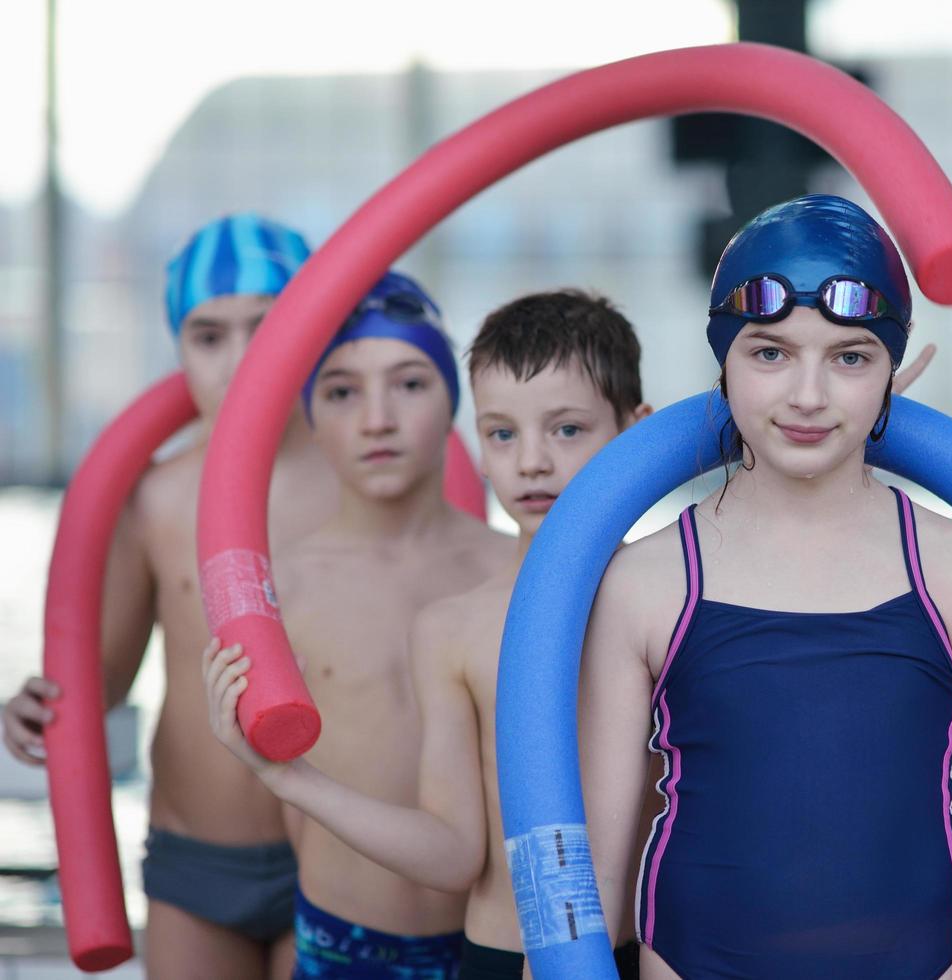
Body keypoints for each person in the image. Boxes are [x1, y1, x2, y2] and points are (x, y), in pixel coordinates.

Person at [579, 194, 952, 979]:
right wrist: (546, 962)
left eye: (849, 357)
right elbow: (592, 862)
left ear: (892, 369)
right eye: (769, 353)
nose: (807, 394)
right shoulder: (644, 581)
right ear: (722, 363)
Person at [206, 289, 650, 979]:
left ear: (635, 431)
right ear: (476, 446)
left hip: (653, 956)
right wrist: (287, 778)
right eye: (503, 434)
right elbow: (452, 853)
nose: (531, 461)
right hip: (499, 958)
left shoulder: (680, 598)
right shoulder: (452, 628)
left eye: (566, 430)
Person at [3, 214, 333, 979]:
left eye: (267, 326)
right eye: (209, 336)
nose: (242, 357)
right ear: (177, 349)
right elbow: (104, 679)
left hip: (343, 847)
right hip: (197, 853)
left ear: (317, 331)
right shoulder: (151, 499)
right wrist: (38, 704)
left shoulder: (367, 480)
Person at [204, 270, 518, 978]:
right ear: (308, 417)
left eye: (409, 383)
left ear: (453, 405)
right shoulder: (278, 590)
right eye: (343, 392)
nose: (377, 418)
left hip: (495, 943)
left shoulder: (518, 573)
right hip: (340, 942)